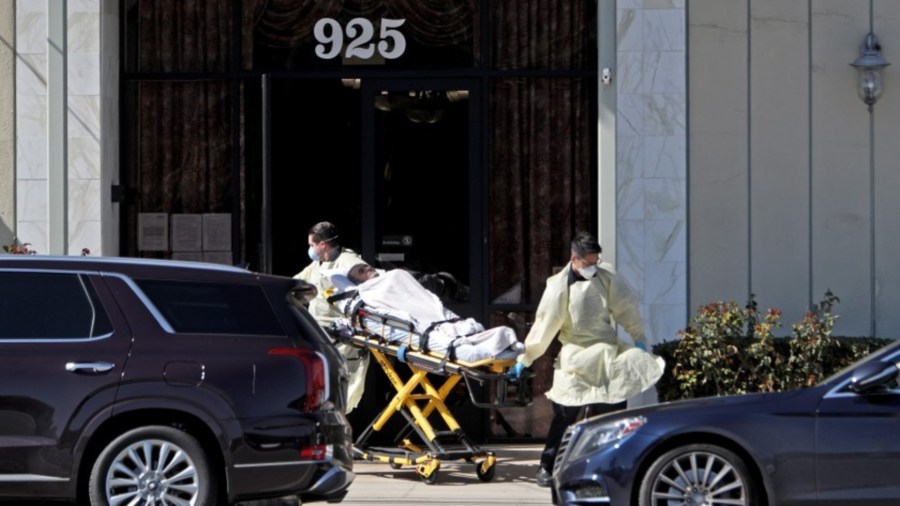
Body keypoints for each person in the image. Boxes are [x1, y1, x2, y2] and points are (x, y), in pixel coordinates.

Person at [507, 232, 665, 487]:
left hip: (606, 352)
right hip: (575, 355)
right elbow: (545, 325)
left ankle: (611, 467)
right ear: (574, 259)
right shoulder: (559, 287)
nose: (594, 266)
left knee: (612, 415)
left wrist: (638, 336)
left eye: (596, 261)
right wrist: (526, 358)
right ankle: (547, 466)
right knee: (564, 415)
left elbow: (626, 306)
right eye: (589, 262)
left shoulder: (606, 276)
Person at [341, 263, 523, 361]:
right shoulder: (368, 293)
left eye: (366, 266)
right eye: (361, 271)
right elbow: (393, 312)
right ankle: (497, 349)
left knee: (488, 331)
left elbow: (420, 295)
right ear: (359, 282)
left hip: (437, 319)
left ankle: (499, 346)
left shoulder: (396, 275)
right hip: (424, 328)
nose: (368, 268)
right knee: (468, 352)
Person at [294, 221, 370, 413]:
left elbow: (370, 278)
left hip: (343, 341)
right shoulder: (317, 264)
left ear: (323, 244)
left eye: (312, 244)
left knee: (342, 394)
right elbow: (296, 282)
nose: (310, 249)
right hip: (322, 338)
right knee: (322, 393)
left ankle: (341, 429)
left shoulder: (347, 261)